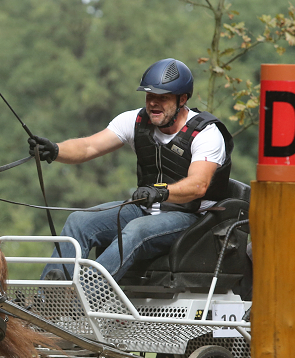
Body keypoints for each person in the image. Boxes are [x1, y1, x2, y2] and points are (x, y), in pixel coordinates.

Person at [29, 58, 233, 282]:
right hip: (145, 209)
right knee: (79, 221)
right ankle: (49, 301)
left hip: (190, 218)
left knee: (136, 230)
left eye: (162, 98)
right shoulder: (134, 121)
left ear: (182, 99)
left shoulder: (206, 133)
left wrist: (161, 191)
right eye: (149, 96)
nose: (153, 104)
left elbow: (199, 184)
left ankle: (82, 298)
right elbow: (88, 147)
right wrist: (56, 150)